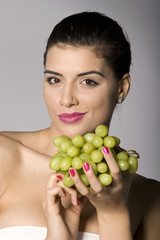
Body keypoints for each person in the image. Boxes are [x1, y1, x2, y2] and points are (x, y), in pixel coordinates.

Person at [0, 11, 159, 240]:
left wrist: (113, 215)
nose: (66, 99)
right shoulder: (4, 157)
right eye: (55, 80)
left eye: (87, 81)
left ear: (122, 87)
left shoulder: (150, 196)